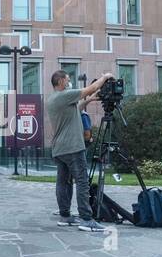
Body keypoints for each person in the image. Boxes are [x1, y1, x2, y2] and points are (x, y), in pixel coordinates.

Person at [46, 70, 113, 234]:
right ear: (61, 81)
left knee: (63, 182)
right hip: (73, 147)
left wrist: (89, 100)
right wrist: (105, 77)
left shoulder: (54, 99)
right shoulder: (64, 95)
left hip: (60, 149)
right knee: (82, 181)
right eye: (68, 80)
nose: (70, 82)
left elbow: (77, 108)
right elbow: (89, 88)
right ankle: (86, 219)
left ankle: (65, 216)